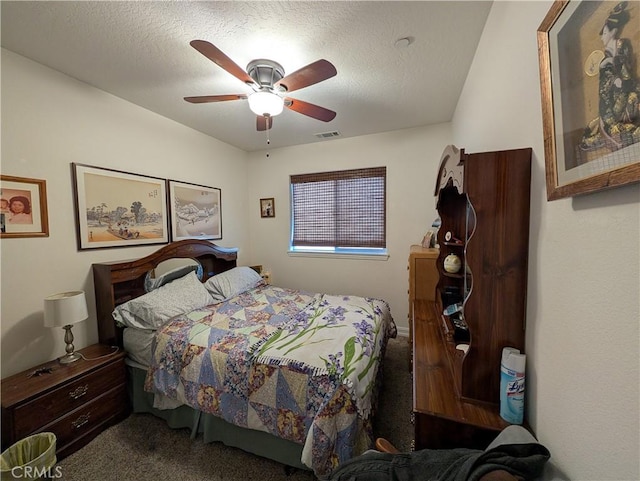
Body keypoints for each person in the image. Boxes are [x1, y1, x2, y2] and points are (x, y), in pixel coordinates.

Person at [580, 1, 640, 151]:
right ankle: (610, 129)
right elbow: (605, 86)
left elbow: (626, 72)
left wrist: (612, 63)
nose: (602, 38)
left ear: (613, 31)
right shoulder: (604, 56)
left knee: (632, 100)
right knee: (606, 119)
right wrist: (604, 67)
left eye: (604, 33)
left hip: (627, 88)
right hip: (613, 95)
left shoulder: (622, 45)